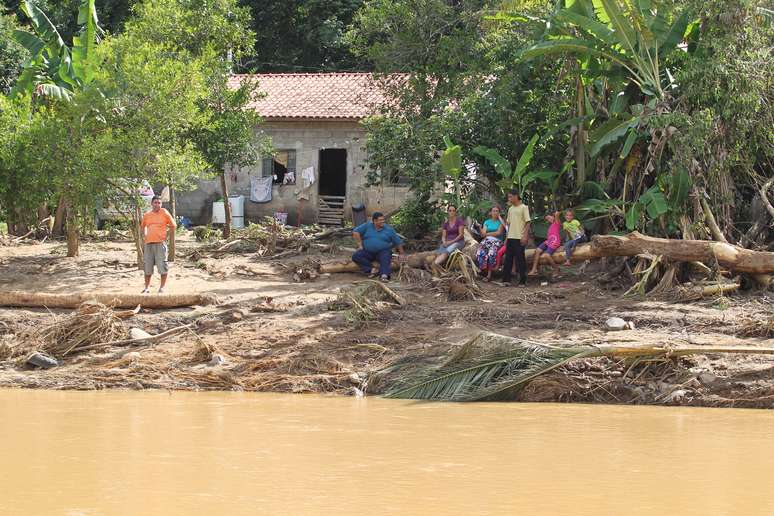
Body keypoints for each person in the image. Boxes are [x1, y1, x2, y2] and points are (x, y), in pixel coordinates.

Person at [352, 212, 406, 281]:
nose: (383, 221)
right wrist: (360, 245)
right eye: (380, 220)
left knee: (385, 257)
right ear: (374, 221)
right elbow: (355, 232)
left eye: (383, 219)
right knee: (356, 256)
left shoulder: (389, 230)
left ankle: (384, 275)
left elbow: (398, 242)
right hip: (368, 252)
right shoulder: (367, 226)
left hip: (382, 252)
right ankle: (372, 269)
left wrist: (402, 254)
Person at [141, 196, 176, 294]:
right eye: (155, 202)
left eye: (159, 203)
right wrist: (145, 235)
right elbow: (143, 226)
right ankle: (147, 288)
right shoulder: (147, 215)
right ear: (151, 204)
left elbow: (173, 225)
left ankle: (162, 288)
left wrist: (165, 235)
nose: (157, 205)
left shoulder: (164, 212)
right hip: (148, 244)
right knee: (147, 267)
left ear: (161, 204)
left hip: (160, 244)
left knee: (162, 266)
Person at [502, 190, 531, 286]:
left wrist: (525, 236)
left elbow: (528, 222)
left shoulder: (524, 207)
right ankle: (506, 280)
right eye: (508, 197)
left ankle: (522, 280)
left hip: (519, 237)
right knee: (508, 259)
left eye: (510, 197)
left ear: (516, 196)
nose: (509, 199)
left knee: (520, 259)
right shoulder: (510, 209)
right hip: (510, 237)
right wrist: (506, 237)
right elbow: (508, 224)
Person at [475, 205, 505, 282]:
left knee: (491, 253)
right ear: (490, 213)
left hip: (497, 241)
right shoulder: (487, 222)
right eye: (493, 211)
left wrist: (487, 234)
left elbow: (499, 233)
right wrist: (479, 227)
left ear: (499, 213)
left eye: (496, 211)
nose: (495, 212)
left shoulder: (501, 222)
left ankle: (489, 275)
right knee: (480, 252)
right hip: (487, 240)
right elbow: (483, 234)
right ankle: (483, 270)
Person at [528, 211, 562, 276]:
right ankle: (534, 269)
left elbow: (557, 215)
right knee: (537, 250)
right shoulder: (551, 225)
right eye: (547, 219)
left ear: (553, 216)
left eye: (549, 218)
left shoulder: (556, 223)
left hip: (555, 241)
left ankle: (556, 269)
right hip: (548, 241)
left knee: (547, 255)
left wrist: (556, 214)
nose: (549, 220)